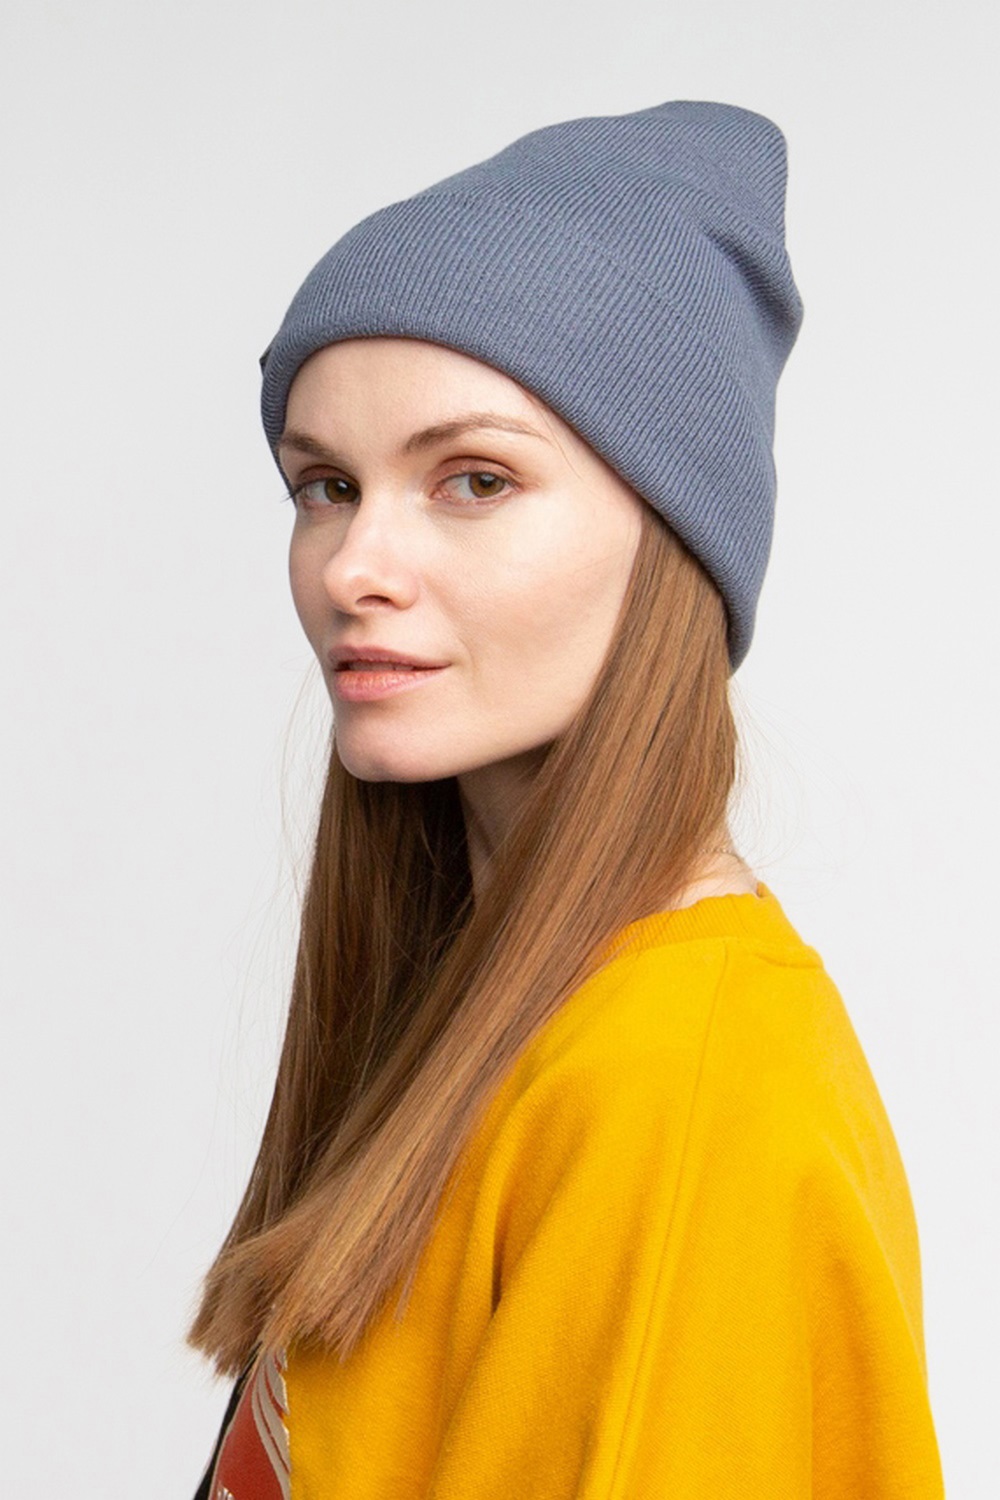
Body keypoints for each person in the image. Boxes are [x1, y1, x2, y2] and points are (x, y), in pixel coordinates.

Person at [188, 100, 945, 1498]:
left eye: (473, 480)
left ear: (672, 537)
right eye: (327, 485)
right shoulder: (514, 1014)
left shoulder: (686, 1091)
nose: (355, 565)